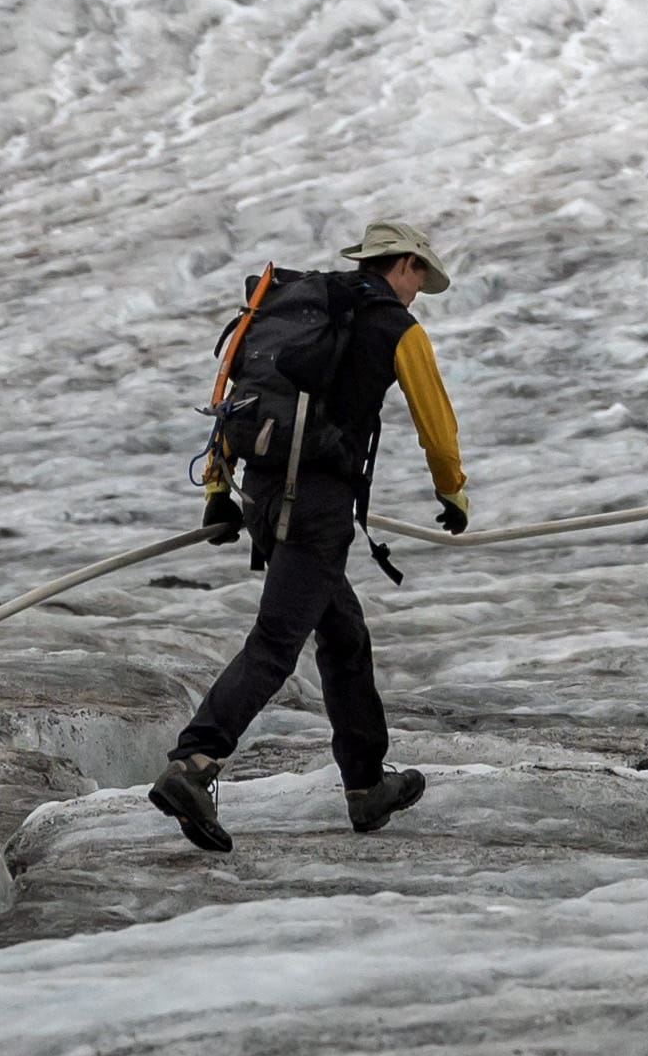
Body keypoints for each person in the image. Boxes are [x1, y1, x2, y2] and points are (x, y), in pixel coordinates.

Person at [149, 218, 468, 850]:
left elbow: (241, 395)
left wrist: (219, 489)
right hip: (315, 506)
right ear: (402, 265)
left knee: (344, 635)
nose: (417, 291)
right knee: (275, 644)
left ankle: (366, 786)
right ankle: (193, 764)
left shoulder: (305, 308)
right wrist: (451, 490)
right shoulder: (393, 326)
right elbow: (434, 414)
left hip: (265, 494)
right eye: (418, 277)